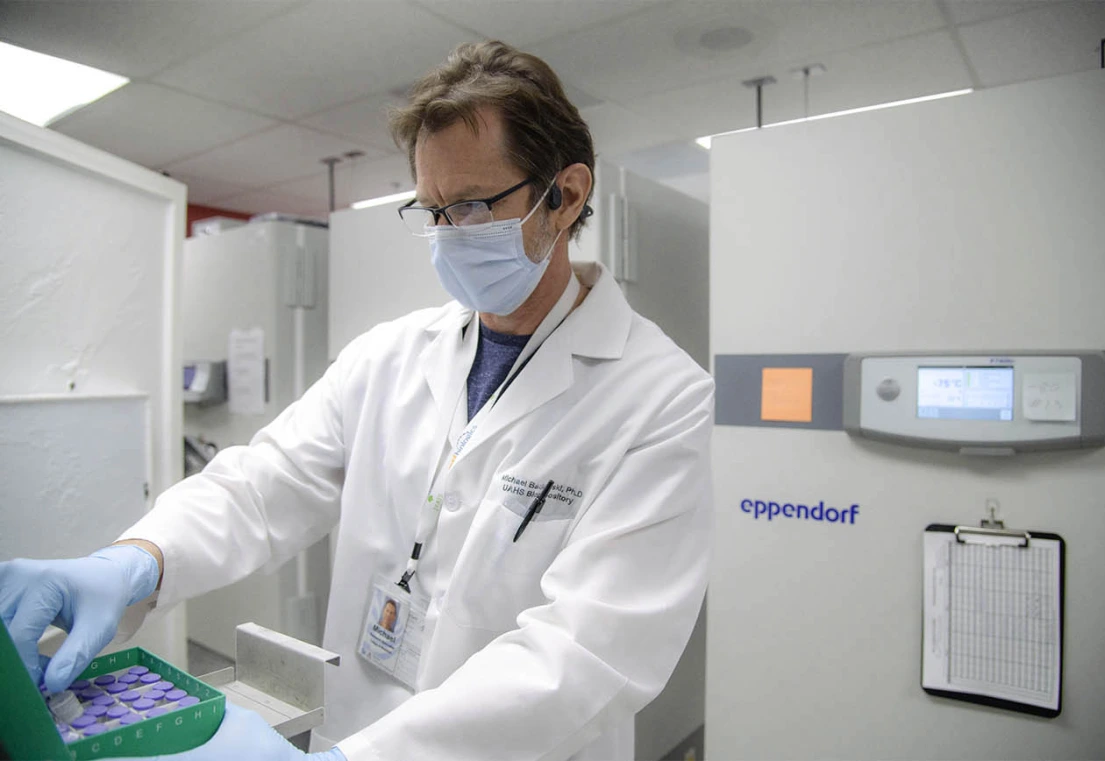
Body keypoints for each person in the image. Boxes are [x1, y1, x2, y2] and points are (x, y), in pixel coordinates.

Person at [0, 40, 713, 761]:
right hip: (355, 730)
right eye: (429, 210)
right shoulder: (389, 356)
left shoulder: (661, 400)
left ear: (565, 195)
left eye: (468, 206)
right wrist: (138, 558)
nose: (444, 237)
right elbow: (259, 485)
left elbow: (582, 653)